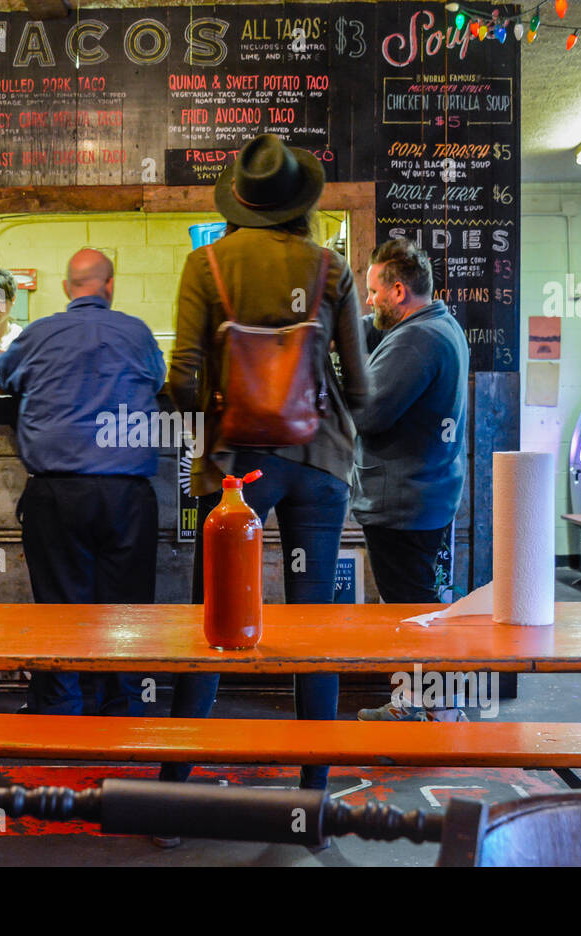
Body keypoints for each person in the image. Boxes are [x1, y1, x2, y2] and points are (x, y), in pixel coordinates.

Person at [163, 133, 369, 803]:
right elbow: (360, 388)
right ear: (298, 202)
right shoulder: (331, 269)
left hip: (233, 469)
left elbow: (184, 380)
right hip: (320, 461)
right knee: (315, 624)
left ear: (240, 203)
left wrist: (222, 399)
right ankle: (314, 790)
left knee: (216, 616)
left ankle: (176, 785)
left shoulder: (206, 264)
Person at [0, 248, 164, 717]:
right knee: (126, 609)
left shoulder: (37, 333)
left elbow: (5, 379)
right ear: (110, 286)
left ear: (68, 288)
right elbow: (158, 379)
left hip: (57, 493)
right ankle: (123, 705)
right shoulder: (137, 332)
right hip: (126, 493)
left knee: (59, 607)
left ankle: (59, 706)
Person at [352, 239, 469, 722]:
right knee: (422, 603)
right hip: (427, 494)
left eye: (374, 291)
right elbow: (370, 333)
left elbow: (372, 412)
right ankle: (436, 704)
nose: (369, 300)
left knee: (409, 611)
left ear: (398, 291)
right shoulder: (439, 325)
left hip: (404, 500)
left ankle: (424, 709)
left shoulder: (415, 340)